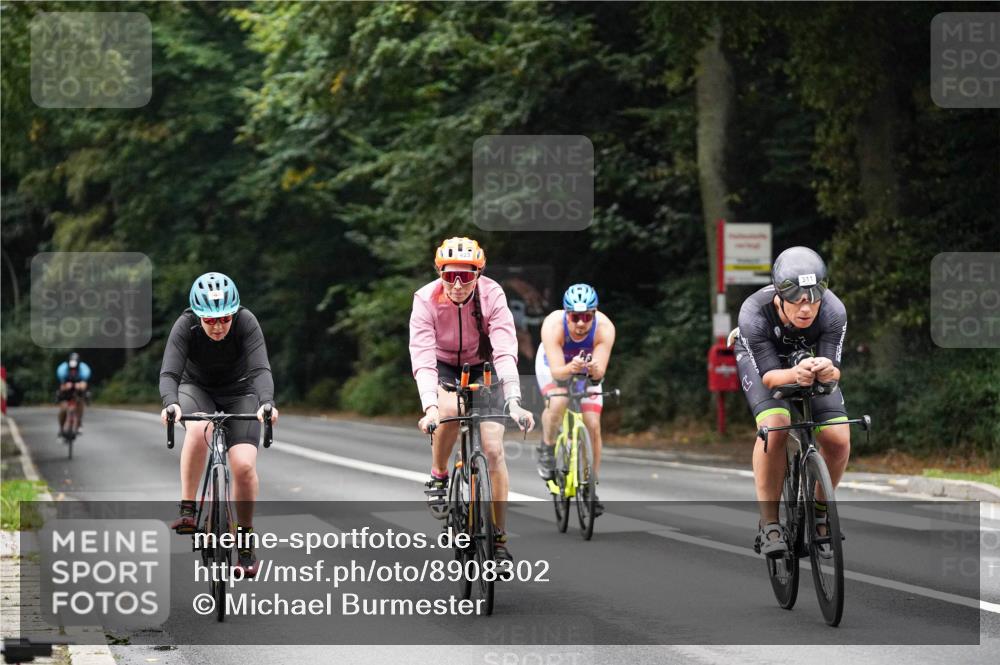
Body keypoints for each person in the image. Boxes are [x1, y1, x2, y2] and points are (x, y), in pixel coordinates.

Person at [409, 237, 535, 563]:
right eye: (450, 276)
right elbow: (422, 358)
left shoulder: (492, 294)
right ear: (440, 273)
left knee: (493, 449)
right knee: (449, 411)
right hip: (444, 364)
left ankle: (499, 538)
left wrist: (514, 400)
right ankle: (439, 474)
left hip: (484, 364)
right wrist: (430, 408)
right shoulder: (425, 299)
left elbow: (506, 349)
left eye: (467, 276)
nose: (458, 284)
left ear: (478, 274)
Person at [158, 272, 278, 576]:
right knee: (199, 428)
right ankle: (188, 508)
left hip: (241, 392)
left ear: (234, 313)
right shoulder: (185, 325)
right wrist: (170, 403)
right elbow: (170, 373)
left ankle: (246, 541)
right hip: (196, 390)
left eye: (224, 319)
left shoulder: (247, 322)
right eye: (209, 321)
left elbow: (261, 368)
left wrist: (266, 403)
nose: (218, 326)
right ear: (198, 317)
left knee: (243, 467)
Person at [733, 246, 849, 557]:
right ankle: (770, 522)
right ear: (779, 298)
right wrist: (795, 373)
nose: (806, 308)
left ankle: (821, 509)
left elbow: (834, 368)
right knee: (776, 426)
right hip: (763, 364)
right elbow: (770, 377)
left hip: (807, 363)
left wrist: (825, 369)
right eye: (797, 300)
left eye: (813, 299)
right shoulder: (754, 313)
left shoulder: (834, 311)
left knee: (838, 438)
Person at [534, 284, 616, 515]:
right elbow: (558, 373)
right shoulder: (552, 325)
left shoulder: (605, 328)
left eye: (587, 317)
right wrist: (571, 367)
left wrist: (592, 369)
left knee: (592, 423)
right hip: (553, 366)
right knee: (558, 400)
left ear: (594, 315)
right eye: (575, 317)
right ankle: (547, 448)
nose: (581, 323)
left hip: (584, 372)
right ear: (566, 314)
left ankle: (590, 486)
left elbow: (599, 374)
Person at [56, 352, 91, 437]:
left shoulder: (84, 370)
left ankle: (79, 423)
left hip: (78, 390)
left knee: (81, 400)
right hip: (66, 390)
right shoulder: (62, 370)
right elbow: (61, 386)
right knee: (63, 409)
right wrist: (65, 386)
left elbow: (84, 384)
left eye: (75, 369)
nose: (73, 371)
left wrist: (80, 386)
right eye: (71, 369)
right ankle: (61, 428)